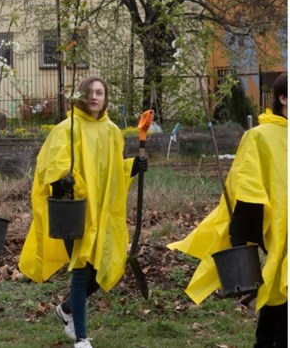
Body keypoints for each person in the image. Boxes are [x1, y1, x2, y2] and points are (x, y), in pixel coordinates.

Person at [18, 76, 147, 348]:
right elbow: (50, 164)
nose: (95, 97)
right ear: (80, 96)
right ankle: (81, 338)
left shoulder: (112, 131)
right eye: (90, 92)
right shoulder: (67, 128)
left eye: (100, 92)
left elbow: (110, 169)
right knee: (81, 269)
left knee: (103, 268)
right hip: (75, 212)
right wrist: (62, 179)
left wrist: (132, 167)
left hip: (102, 213)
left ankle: (65, 310)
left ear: (106, 97)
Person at [168, 73, 287, 348]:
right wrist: (241, 231)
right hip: (279, 229)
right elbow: (246, 184)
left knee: (279, 298)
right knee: (279, 291)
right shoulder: (259, 136)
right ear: (283, 98)